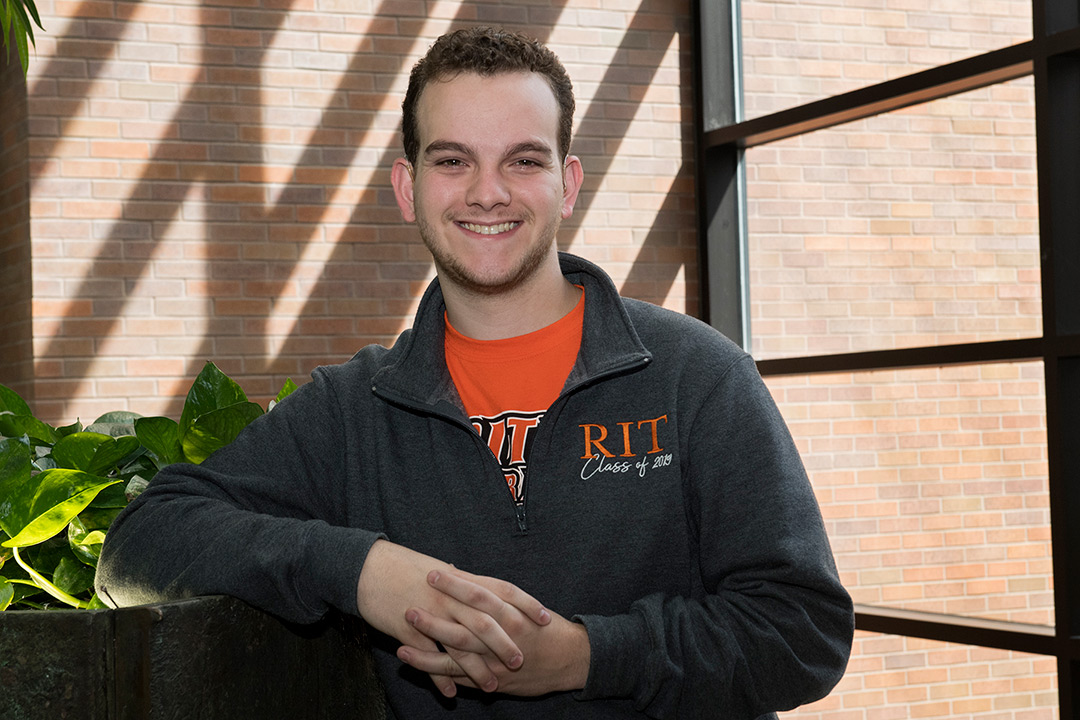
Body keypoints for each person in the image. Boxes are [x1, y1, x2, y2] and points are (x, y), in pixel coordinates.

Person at [96, 26, 854, 719]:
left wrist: (588, 658)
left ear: (569, 182)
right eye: (452, 160)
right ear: (407, 189)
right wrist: (366, 571)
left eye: (523, 161)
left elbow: (804, 634)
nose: (487, 192)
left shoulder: (698, 377)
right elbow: (137, 545)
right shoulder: (352, 409)